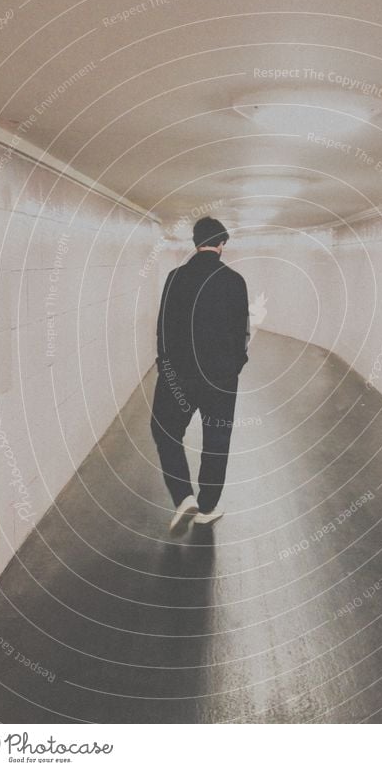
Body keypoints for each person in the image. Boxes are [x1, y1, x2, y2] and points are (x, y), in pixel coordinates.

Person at [150, 217, 250, 534]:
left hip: (179, 376)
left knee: (164, 430)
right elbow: (241, 334)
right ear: (221, 245)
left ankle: (183, 496)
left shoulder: (174, 278)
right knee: (216, 442)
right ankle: (207, 507)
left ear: (196, 243)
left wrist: (166, 367)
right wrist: (233, 367)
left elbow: (163, 329)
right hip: (220, 379)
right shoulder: (235, 281)